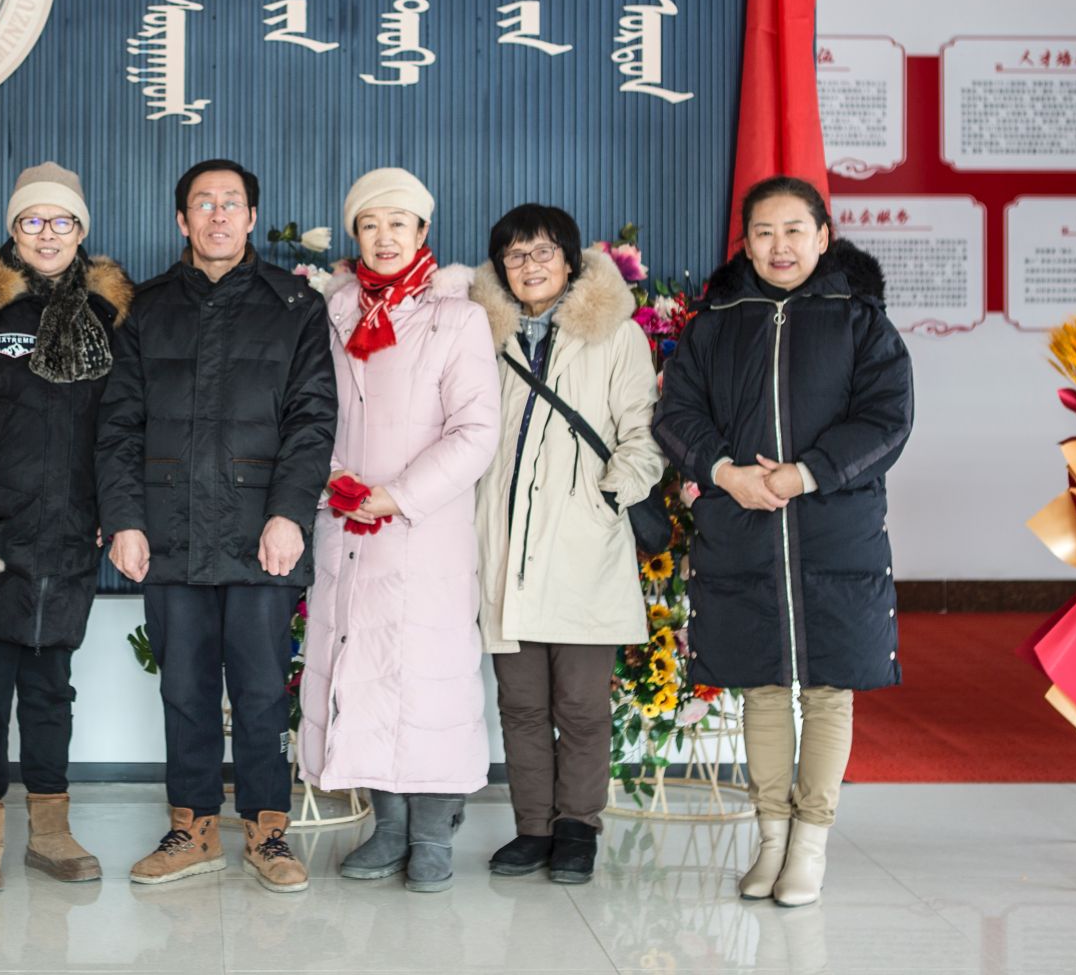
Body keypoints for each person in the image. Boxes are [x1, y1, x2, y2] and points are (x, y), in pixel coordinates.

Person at [654, 175, 913, 907]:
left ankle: (810, 845)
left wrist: (807, 473)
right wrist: (723, 472)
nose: (780, 246)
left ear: (823, 236)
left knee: (828, 688)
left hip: (835, 529)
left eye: (795, 230)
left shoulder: (861, 320)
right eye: (764, 232)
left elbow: (888, 419)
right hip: (741, 528)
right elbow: (676, 414)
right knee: (762, 688)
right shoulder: (716, 323)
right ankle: (771, 840)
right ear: (746, 243)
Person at [98, 158, 337, 894]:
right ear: (182, 220)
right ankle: (193, 826)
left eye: (231, 203)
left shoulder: (295, 304)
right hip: (169, 530)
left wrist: (290, 513)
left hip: (262, 533)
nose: (218, 215)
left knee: (263, 690)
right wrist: (125, 520)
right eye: (203, 203)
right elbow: (117, 424)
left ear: (252, 217)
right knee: (185, 688)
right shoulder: (145, 307)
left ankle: (268, 829)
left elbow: (313, 420)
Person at [0, 162, 133, 894]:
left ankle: (50, 831)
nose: (47, 234)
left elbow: (121, 426)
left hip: (69, 533)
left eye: (61, 221)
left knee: (51, 689)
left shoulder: (107, 316)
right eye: (32, 221)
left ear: (80, 230)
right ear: (14, 230)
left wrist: (112, 512)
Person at [297, 169, 499, 894]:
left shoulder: (458, 317)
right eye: (370, 224)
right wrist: (336, 482)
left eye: (398, 223)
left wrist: (397, 495)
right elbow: (308, 409)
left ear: (422, 231)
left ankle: (432, 831)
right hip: (347, 523)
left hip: (423, 530)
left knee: (429, 679)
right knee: (365, 672)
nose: (384, 237)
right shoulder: (332, 313)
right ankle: (387, 826)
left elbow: (476, 431)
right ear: (355, 235)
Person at [469, 204, 665, 886]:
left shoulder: (615, 334)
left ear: (571, 259)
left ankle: (577, 825)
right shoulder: (481, 337)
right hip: (505, 549)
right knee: (520, 705)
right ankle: (533, 827)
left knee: (579, 705)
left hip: (583, 545)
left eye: (543, 251)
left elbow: (642, 433)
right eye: (515, 254)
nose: (529, 266)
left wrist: (605, 499)